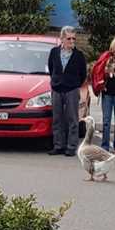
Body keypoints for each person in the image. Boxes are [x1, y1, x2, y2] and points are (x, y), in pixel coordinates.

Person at [47, 26, 87, 157]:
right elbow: (51, 68)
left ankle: (71, 147)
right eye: (69, 38)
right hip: (57, 89)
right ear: (62, 39)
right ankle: (58, 145)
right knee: (57, 118)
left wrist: (74, 84)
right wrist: (55, 81)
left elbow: (83, 74)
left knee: (72, 119)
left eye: (73, 38)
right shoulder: (54, 52)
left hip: (72, 89)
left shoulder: (79, 55)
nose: (71, 41)